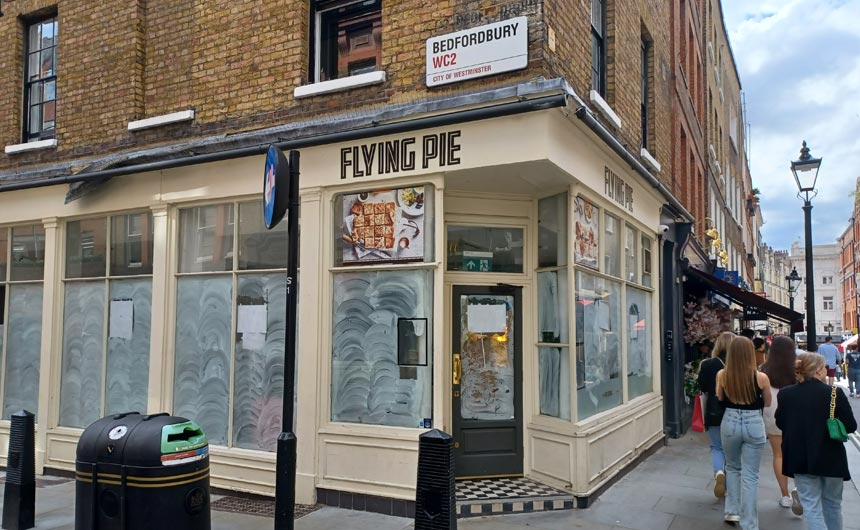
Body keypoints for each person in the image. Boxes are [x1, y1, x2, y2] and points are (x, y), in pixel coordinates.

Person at [776, 353, 857, 530]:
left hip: (800, 456)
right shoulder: (834, 393)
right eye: (824, 367)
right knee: (833, 505)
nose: (826, 370)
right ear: (818, 370)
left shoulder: (785, 394)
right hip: (831, 457)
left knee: (811, 506)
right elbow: (851, 426)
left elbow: (780, 423)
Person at [717, 336, 772, 528]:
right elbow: (767, 402)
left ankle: (732, 512)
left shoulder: (722, 375)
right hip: (753, 423)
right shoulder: (761, 377)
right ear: (750, 353)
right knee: (751, 475)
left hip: (730, 421)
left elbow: (719, 398)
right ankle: (749, 523)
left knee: (732, 468)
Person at [759, 335, 801, 514]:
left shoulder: (763, 369)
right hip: (795, 413)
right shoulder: (798, 368)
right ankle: (801, 490)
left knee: (778, 455)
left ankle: (785, 496)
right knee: (798, 454)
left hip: (772, 412)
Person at [697, 331, 734, 498]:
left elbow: (702, 387)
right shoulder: (741, 364)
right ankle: (731, 484)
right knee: (732, 450)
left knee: (716, 446)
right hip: (735, 410)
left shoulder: (708, 364)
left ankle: (719, 472)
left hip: (714, 409)